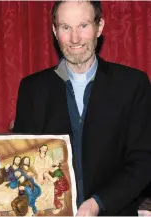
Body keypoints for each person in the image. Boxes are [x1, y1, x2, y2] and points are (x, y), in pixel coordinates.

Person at [13, 1, 151, 215]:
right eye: (66, 27)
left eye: (83, 26)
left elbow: (143, 161)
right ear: (54, 31)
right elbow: (25, 159)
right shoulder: (32, 89)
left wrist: (97, 203)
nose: (75, 38)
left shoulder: (133, 84)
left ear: (100, 27)